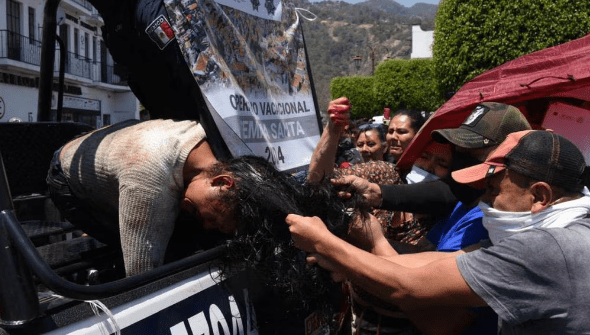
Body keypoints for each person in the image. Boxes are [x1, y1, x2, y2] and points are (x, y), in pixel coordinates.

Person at [287, 129, 590, 335]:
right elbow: (433, 265)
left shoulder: (547, 249)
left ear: (540, 196)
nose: (484, 200)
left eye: (494, 189)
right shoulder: (564, 229)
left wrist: (325, 242)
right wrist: (343, 257)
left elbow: (408, 287)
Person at [47, 119, 271, 276]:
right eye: (214, 218)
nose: (206, 224)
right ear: (222, 182)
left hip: (122, 145)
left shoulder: (201, 143)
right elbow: (141, 277)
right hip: (67, 177)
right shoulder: (148, 186)